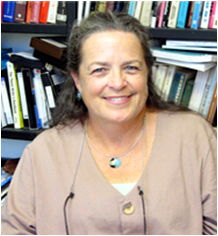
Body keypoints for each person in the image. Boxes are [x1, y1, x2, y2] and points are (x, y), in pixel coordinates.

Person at [1, 12, 217, 235]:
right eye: (99, 70)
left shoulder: (194, 136)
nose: (117, 82)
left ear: (147, 73)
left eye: (131, 67)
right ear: (77, 80)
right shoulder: (43, 153)